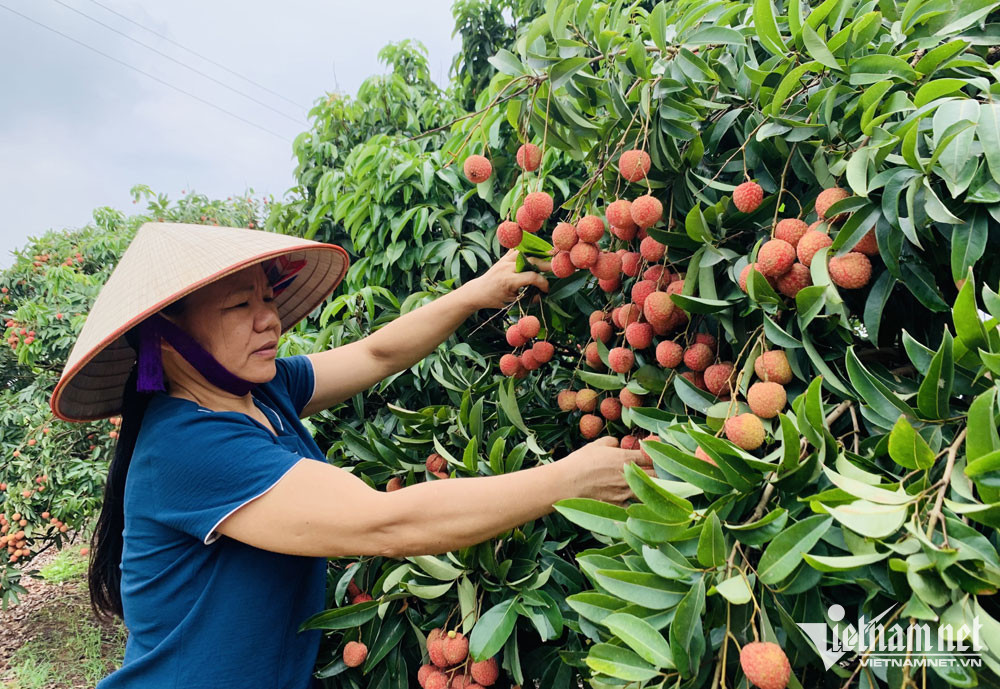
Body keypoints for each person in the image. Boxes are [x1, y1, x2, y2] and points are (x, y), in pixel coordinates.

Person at [50, 221, 651, 689]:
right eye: (240, 306)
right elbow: (386, 523)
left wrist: (476, 293)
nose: (270, 321)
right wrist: (569, 479)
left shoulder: (261, 390)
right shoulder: (187, 445)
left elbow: (375, 357)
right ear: (166, 338)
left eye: (268, 297)